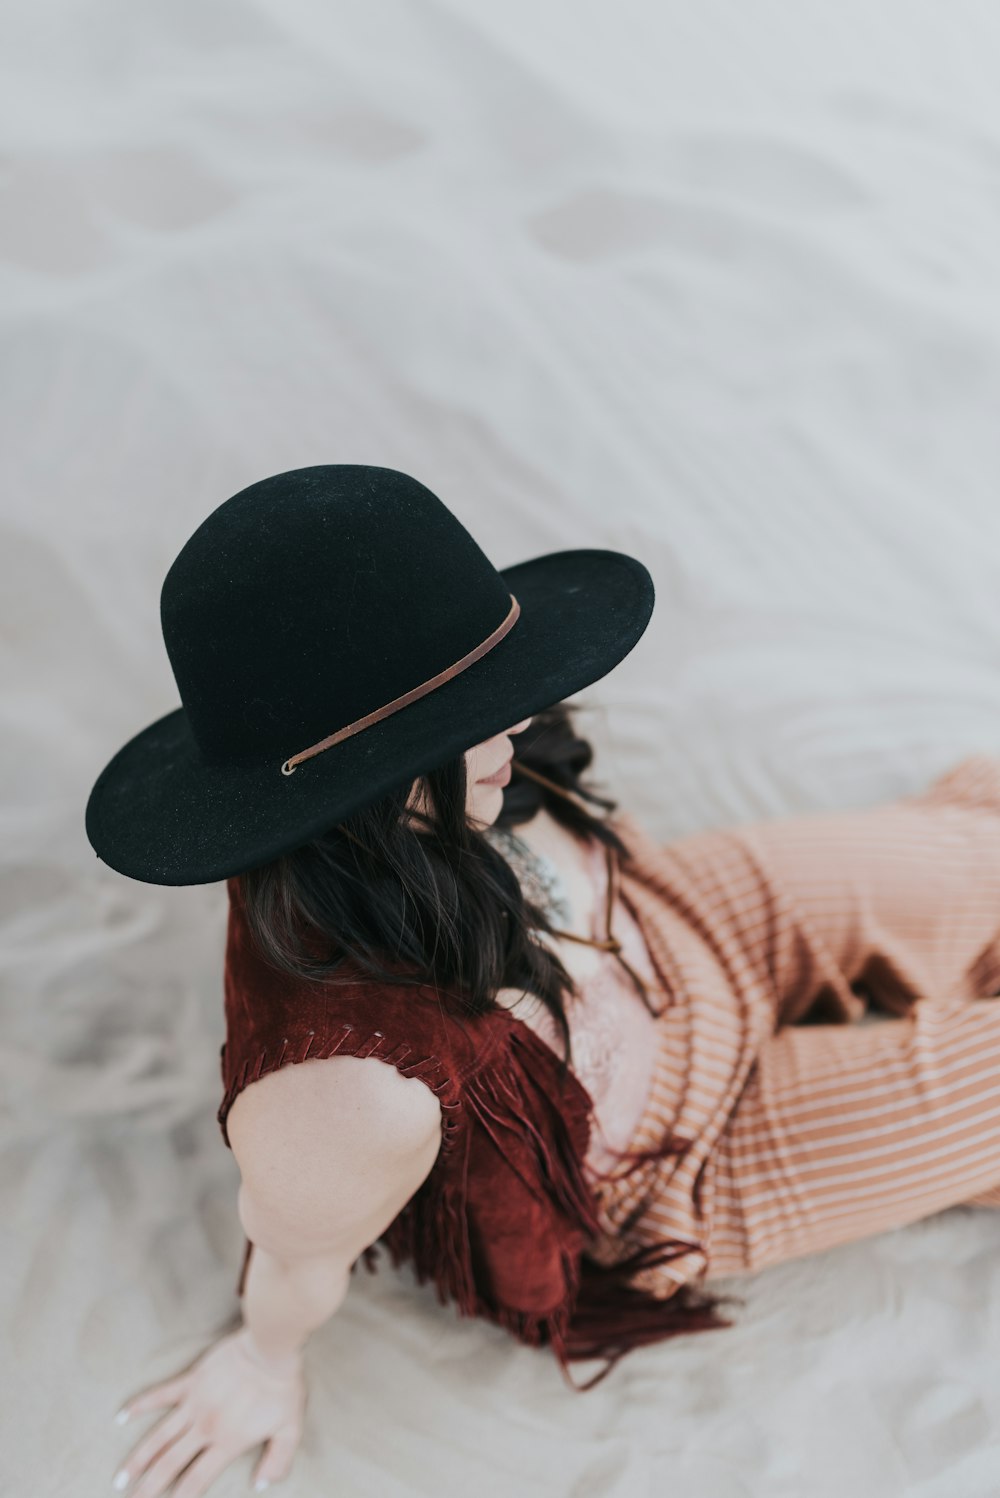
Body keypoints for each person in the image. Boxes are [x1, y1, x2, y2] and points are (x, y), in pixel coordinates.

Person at [86, 465, 1000, 1497]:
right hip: (677, 1163)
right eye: (463, 718)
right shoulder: (346, 1090)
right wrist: (262, 1359)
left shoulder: (453, 784)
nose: (512, 726)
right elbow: (297, 1252)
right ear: (356, 775)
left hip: (682, 921)